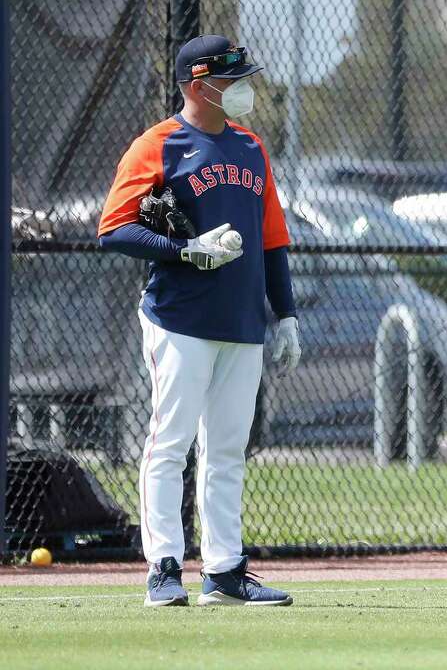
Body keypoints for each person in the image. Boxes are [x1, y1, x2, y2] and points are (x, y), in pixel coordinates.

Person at [97, 34, 301, 607]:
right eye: (229, 80)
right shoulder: (158, 144)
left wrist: (285, 314)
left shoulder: (252, 148)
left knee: (228, 448)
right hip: (179, 318)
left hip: (241, 321)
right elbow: (114, 228)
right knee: (171, 443)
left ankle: (224, 572)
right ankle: (163, 568)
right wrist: (183, 249)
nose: (242, 89)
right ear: (195, 85)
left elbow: (272, 239)